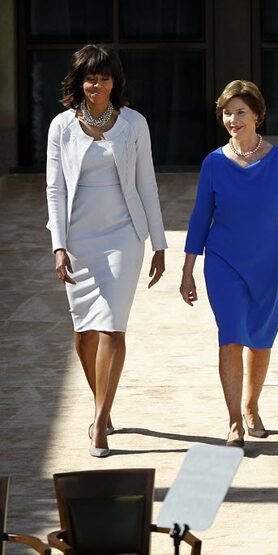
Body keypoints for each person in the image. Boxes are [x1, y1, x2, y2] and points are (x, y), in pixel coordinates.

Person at [46, 45, 167, 457]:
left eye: (105, 78)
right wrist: (59, 246)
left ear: (116, 82)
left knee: (112, 326)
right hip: (78, 239)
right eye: (90, 78)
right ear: (79, 81)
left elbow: (147, 184)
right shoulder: (61, 127)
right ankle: (105, 402)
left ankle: (99, 420)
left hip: (123, 236)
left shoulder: (134, 124)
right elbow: (55, 190)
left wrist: (159, 242)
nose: (97, 85)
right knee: (84, 332)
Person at [181, 80, 278, 448]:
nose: (232, 119)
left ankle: (251, 407)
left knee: (261, 341)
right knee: (231, 337)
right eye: (226, 112)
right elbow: (201, 216)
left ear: (257, 115)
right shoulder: (214, 163)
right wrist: (187, 269)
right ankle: (234, 421)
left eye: (240, 112)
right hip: (223, 263)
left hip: (268, 265)